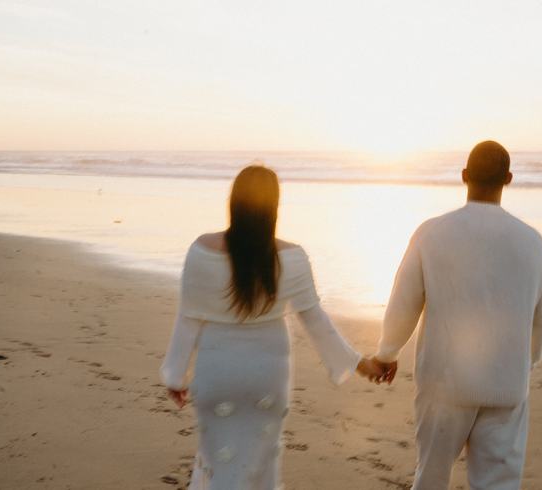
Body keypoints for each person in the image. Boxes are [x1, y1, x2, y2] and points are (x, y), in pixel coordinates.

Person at [160, 165, 383, 489]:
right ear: (274, 207)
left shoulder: (201, 250)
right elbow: (315, 321)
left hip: (217, 372)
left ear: (233, 203)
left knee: (217, 463)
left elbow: (188, 318)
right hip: (268, 375)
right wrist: (358, 363)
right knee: (260, 469)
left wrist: (175, 375)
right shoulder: (292, 257)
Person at [369, 141, 542, 489]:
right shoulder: (534, 242)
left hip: (444, 383)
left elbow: (404, 302)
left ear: (465, 176)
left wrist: (386, 353)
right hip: (506, 385)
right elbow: (541, 318)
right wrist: (523, 363)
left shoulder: (432, 233)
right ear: (509, 179)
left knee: (431, 479)